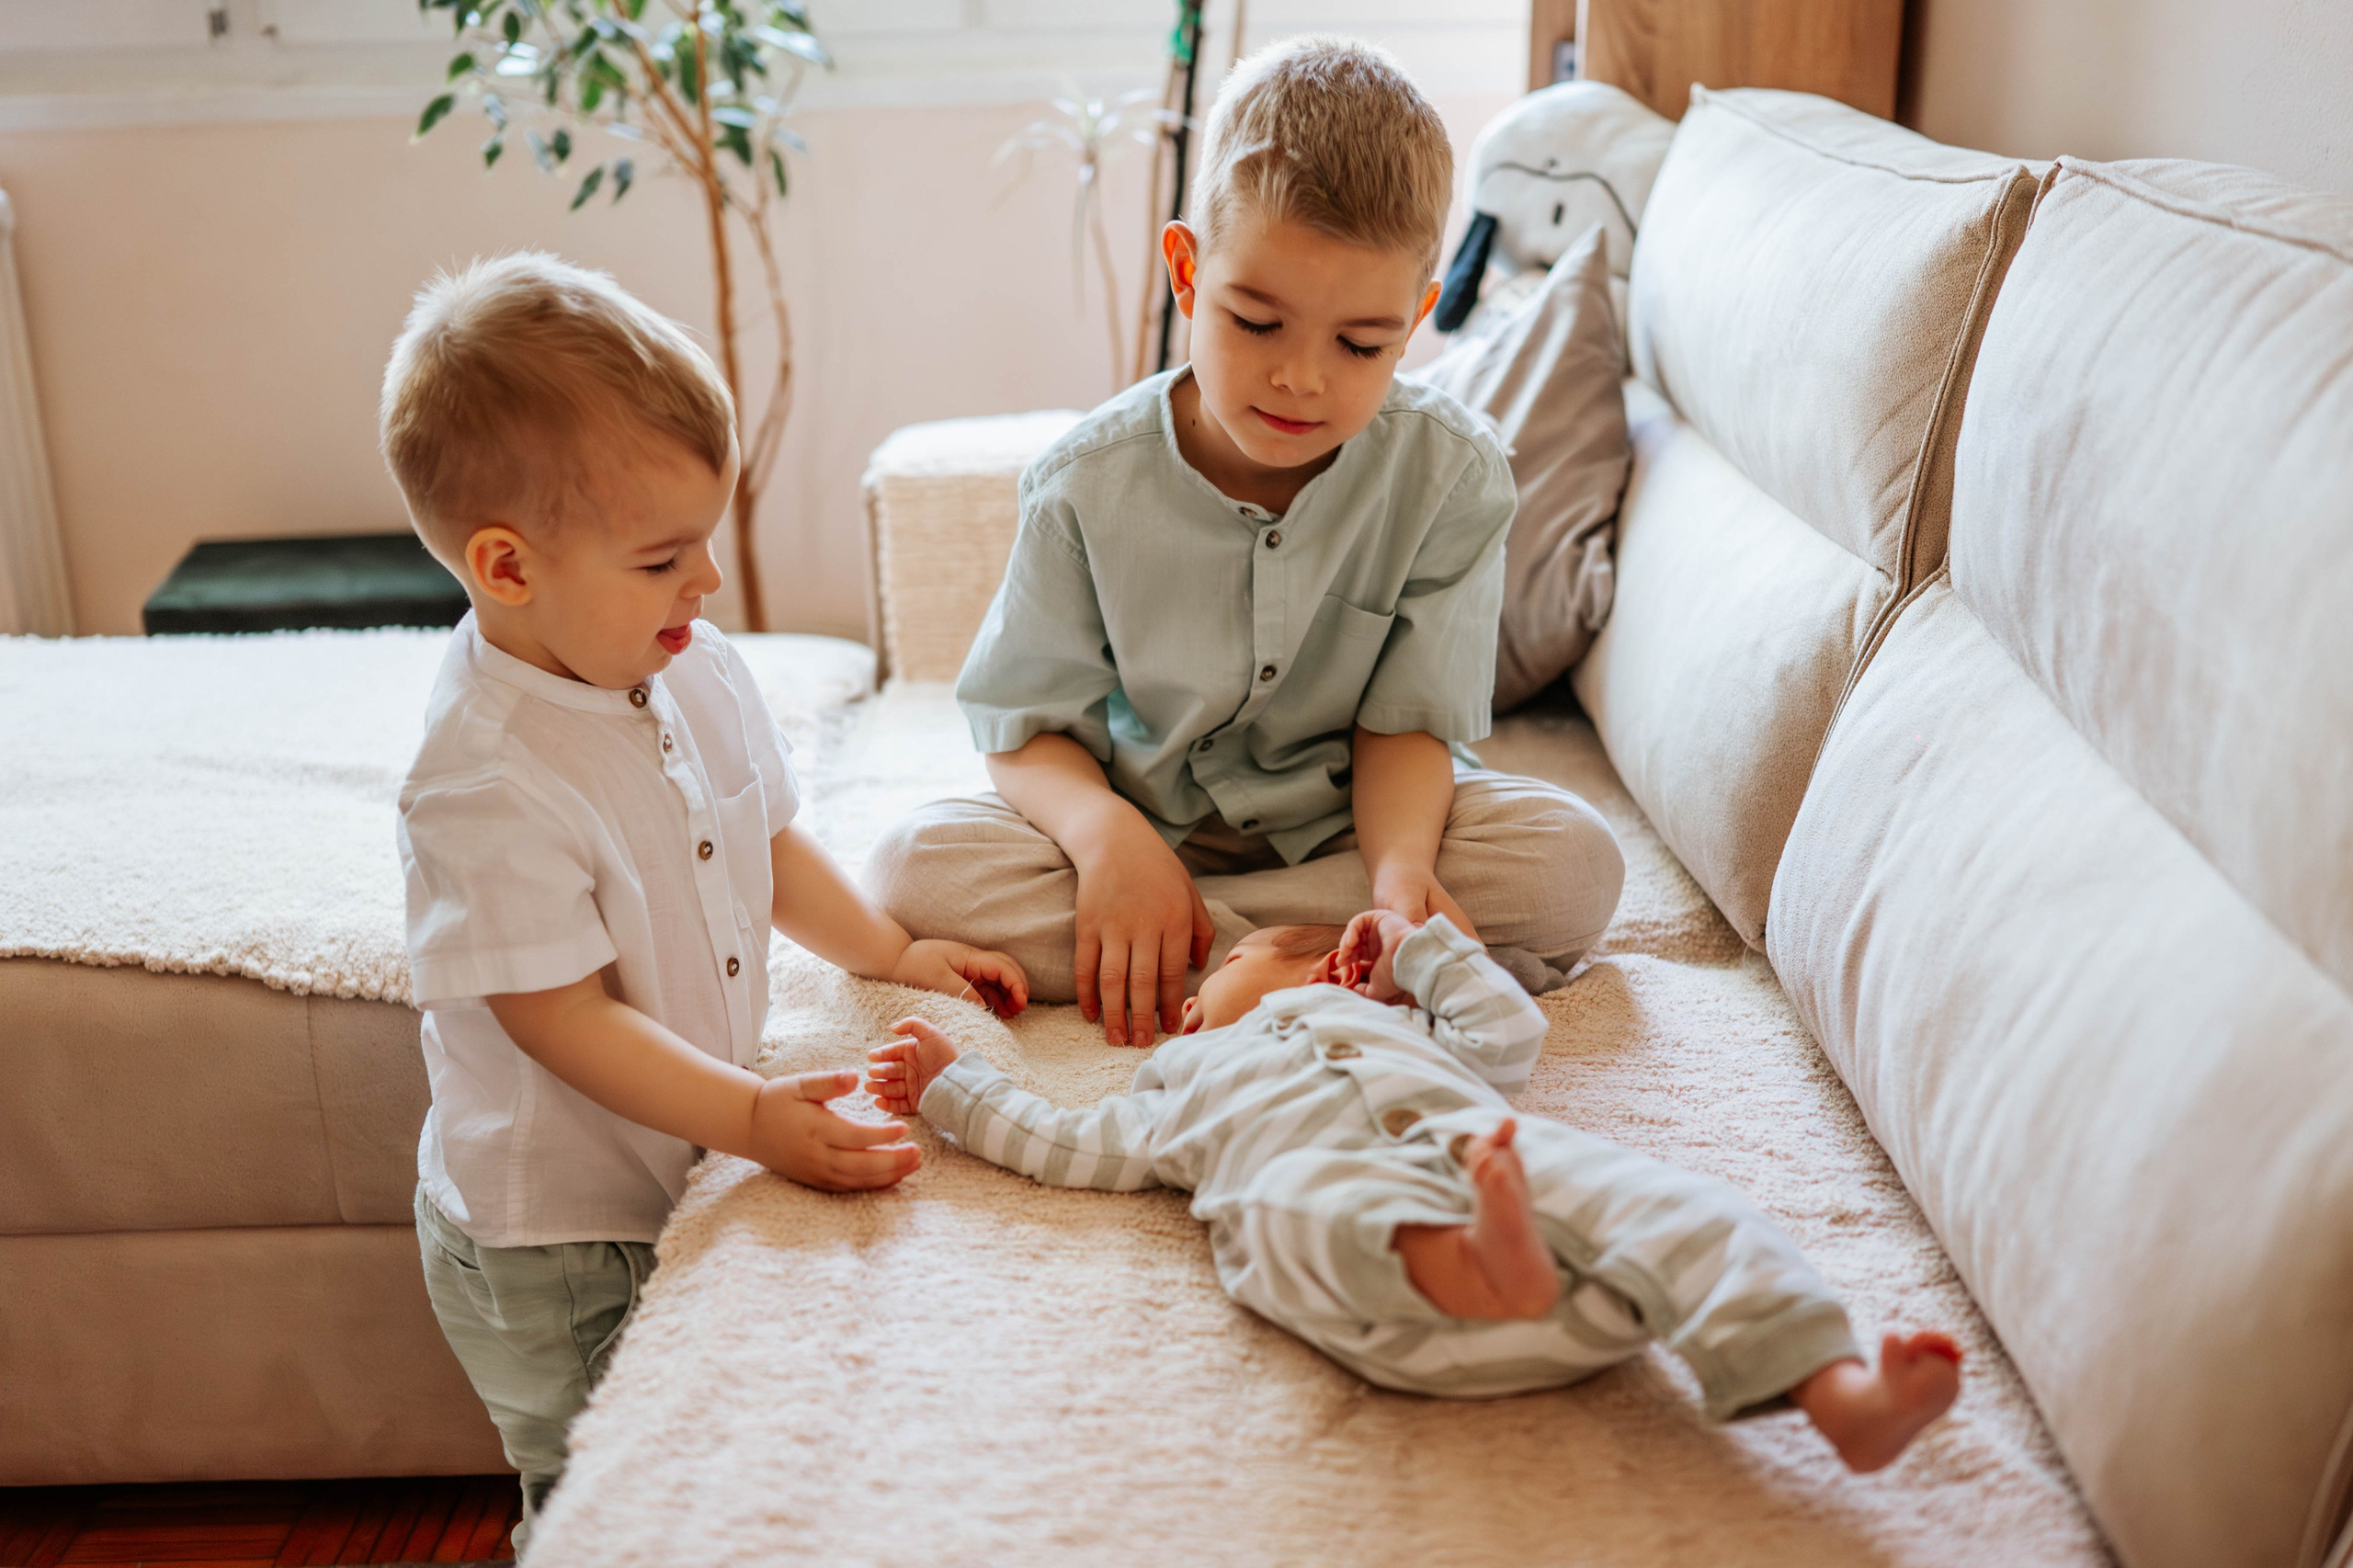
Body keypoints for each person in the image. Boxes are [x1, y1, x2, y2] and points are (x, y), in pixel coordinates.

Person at [380, 252, 1026, 1550]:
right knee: (608, 1504)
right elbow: (557, 1017)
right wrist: (748, 1117)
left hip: (670, 1161)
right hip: (558, 1240)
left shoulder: (692, 661)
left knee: (721, 1464)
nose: (710, 583)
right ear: (508, 568)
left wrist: (894, 948)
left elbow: (763, 838)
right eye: (666, 555)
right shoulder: (485, 779)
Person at [864, 36, 1625, 1048]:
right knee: (913, 866)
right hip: (1146, 819)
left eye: (1360, 344)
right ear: (1187, 271)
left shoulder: (1455, 474)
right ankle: (1305, 951)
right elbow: (1022, 723)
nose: (1302, 379)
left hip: (1348, 828)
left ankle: (1206, 947)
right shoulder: (1084, 483)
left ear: (1414, 323)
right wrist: (1106, 841)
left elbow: (1407, 724)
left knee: (1574, 862)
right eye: (1256, 322)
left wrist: (1401, 875)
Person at [866, 912, 1962, 1473]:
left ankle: (1838, 1400)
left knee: (1679, 1203)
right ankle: (1473, 1257)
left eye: (1238, 970)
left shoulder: (1397, 1025)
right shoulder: (1169, 1086)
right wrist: (952, 1088)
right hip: (1397, 1286)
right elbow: (1060, 1140)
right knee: (1285, 1209)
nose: (1198, 1001)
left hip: (1522, 1202)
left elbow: (1509, 1026)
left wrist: (1417, 953)